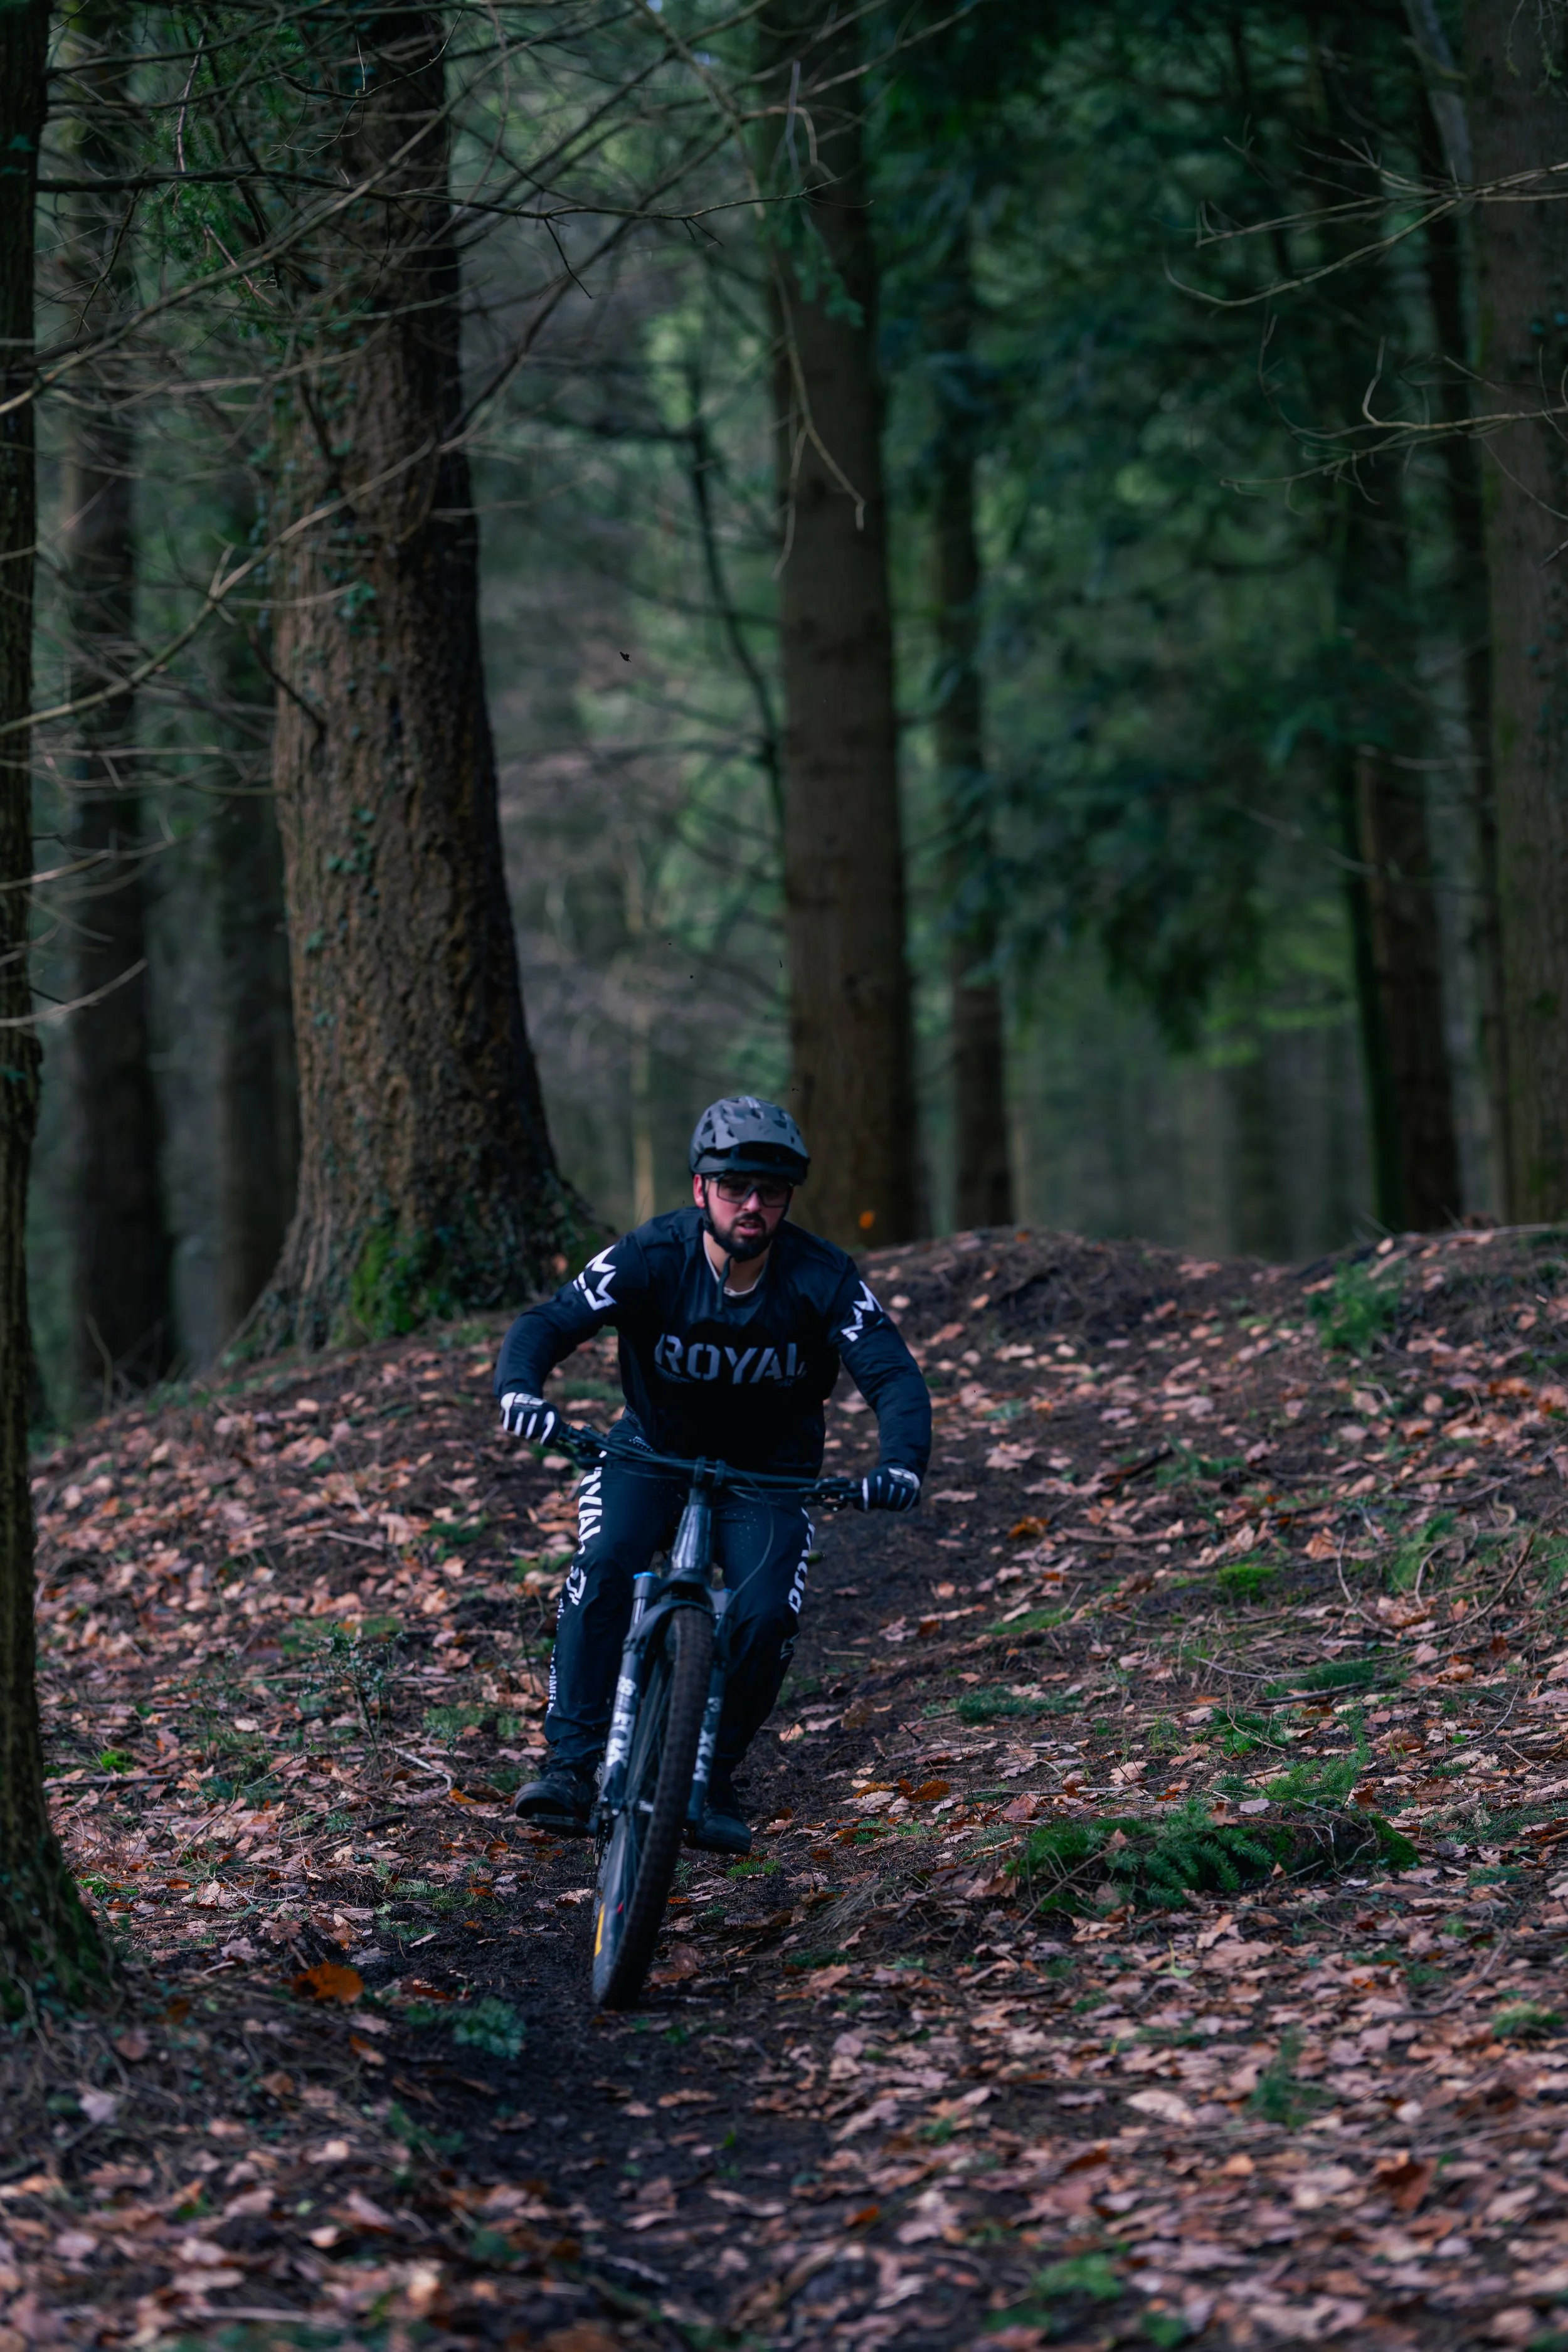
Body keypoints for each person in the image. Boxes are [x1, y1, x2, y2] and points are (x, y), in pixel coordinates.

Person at [494, 1095, 931, 1853]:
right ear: (701, 1189)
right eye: (733, 1188)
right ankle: (568, 1765)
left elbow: (891, 1373)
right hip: (649, 1453)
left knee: (764, 1614)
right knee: (603, 1567)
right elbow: (549, 1321)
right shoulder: (649, 1256)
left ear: (788, 1197)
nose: (752, 1205)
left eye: (769, 1191)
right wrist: (520, 1390)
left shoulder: (822, 1277)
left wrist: (901, 1464)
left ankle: (711, 1776)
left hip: (770, 1477)